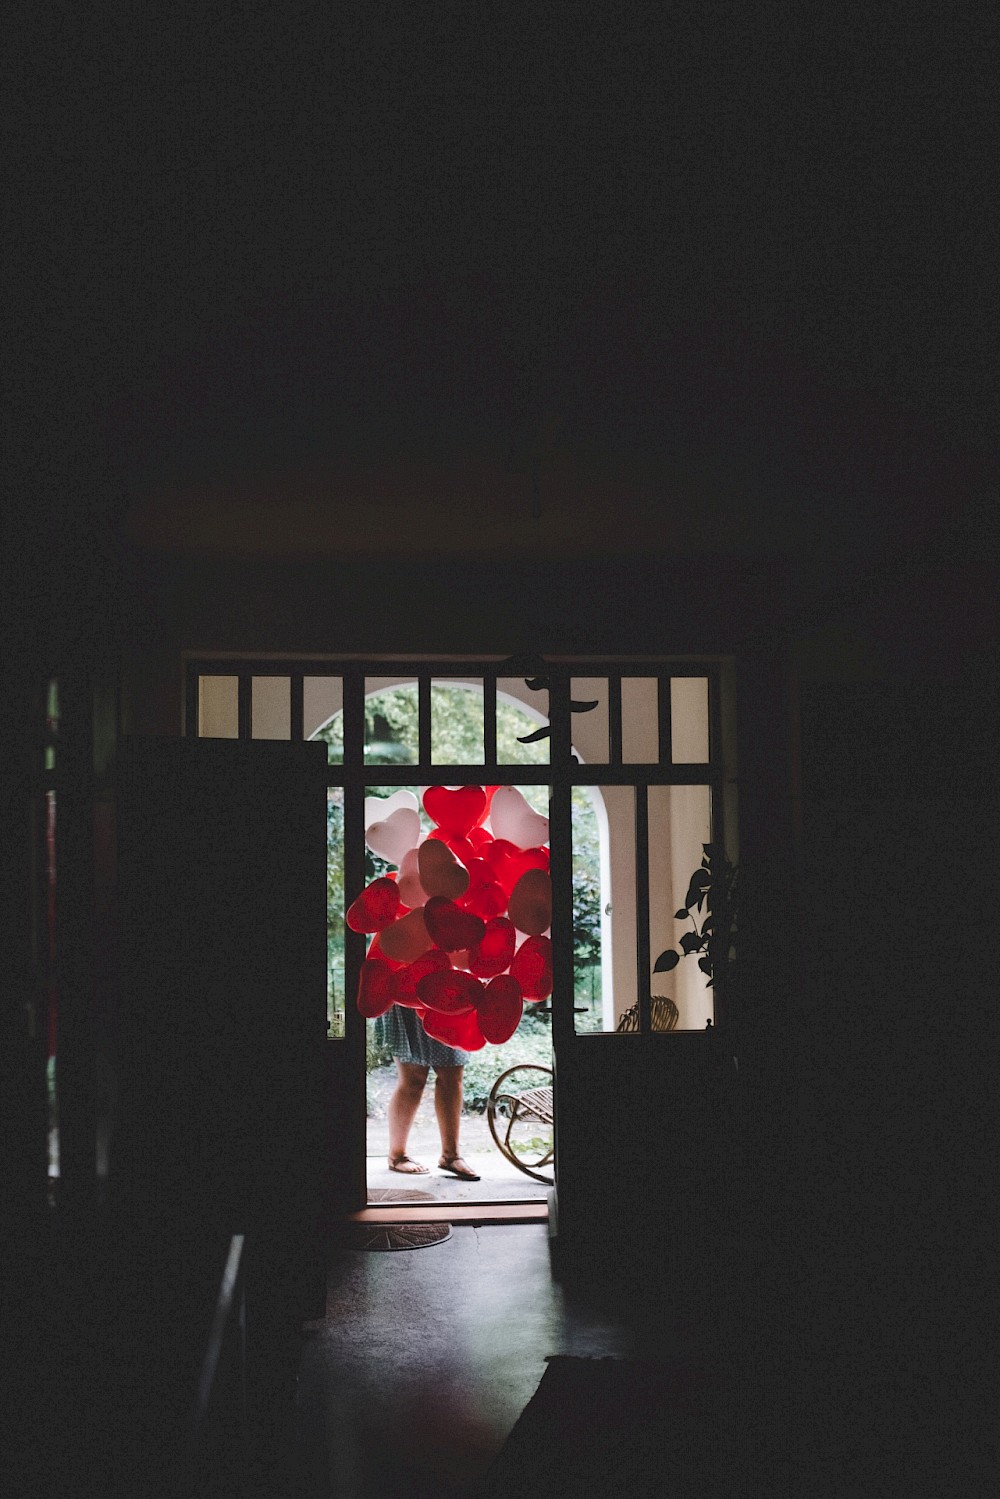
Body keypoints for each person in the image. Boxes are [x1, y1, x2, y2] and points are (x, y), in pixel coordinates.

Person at [374, 1004, 480, 1180]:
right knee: (412, 1080)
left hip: (450, 994)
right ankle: (397, 1155)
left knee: (452, 1077)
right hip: (408, 995)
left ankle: (451, 1156)